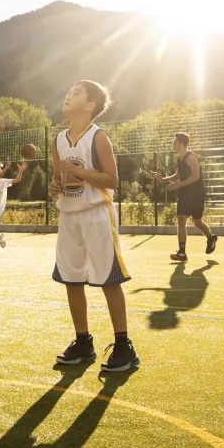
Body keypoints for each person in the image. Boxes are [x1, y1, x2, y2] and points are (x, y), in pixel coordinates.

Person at [50, 80, 139, 372]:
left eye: (75, 93)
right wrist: (55, 187)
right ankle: (83, 342)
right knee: (71, 279)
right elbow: (59, 181)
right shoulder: (58, 140)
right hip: (69, 216)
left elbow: (112, 180)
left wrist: (79, 171)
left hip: (97, 214)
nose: (68, 95)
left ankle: (124, 346)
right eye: (68, 91)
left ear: (90, 105)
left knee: (108, 279)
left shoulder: (98, 137)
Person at [152, 132, 217, 262]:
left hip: (196, 194)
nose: (172, 144)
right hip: (184, 193)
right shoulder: (180, 159)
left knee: (197, 222)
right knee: (181, 219)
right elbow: (177, 175)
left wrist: (178, 185)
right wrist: (163, 179)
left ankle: (210, 237)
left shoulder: (191, 157)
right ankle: (182, 252)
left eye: (174, 142)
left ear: (181, 143)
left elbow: (196, 176)